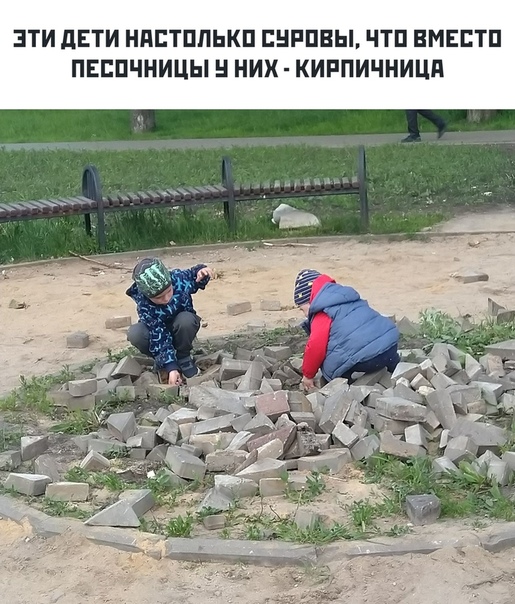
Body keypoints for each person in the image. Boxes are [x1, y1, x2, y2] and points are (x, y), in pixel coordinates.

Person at [294, 269, 400, 390]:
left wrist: (308, 375)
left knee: (335, 361)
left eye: (302, 309)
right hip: (390, 345)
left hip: (369, 358)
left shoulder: (322, 312)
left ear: (310, 300)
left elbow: (316, 345)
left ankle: (345, 388)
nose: (304, 314)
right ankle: (397, 371)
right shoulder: (347, 297)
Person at [126, 257, 214, 385]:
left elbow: (194, 276)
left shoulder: (178, 279)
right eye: (159, 297)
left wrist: (202, 271)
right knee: (135, 333)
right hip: (159, 334)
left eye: (169, 291)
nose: (166, 298)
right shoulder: (144, 305)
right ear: (147, 295)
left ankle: (183, 357)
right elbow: (158, 334)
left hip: (181, 328)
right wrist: (171, 366)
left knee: (186, 320)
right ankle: (162, 362)